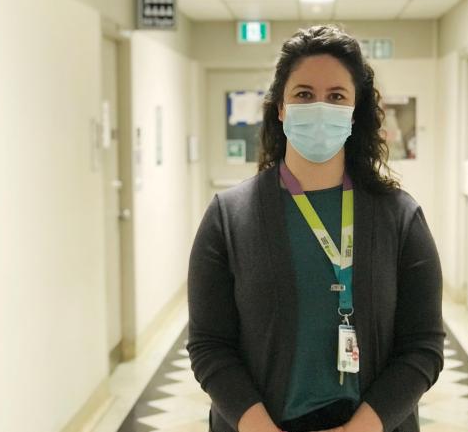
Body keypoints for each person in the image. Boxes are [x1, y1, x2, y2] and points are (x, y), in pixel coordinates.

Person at [187, 25, 445, 432]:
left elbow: (423, 347)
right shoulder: (228, 217)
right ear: (281, 108)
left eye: (337, 96)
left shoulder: (400, 218)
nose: (320, 106)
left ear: (355, 110)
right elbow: (209, 346)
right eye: (304, 94)